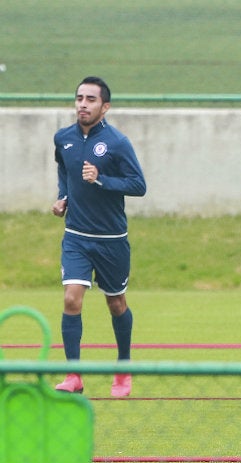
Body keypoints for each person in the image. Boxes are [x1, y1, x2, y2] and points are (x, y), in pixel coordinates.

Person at [52, 76, 147, 397]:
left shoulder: (118, 143)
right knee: (71, 298)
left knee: (116, 303)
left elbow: (138, 185)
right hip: (76, 236)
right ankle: (73, 375)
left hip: (111, 240)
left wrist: (101, 179)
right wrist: (63, 196)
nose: (83, 104)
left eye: (91, 99)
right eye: (79, 97)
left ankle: (123, 369)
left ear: (105, 107)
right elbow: (64, 170)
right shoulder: (63, 137)